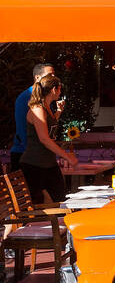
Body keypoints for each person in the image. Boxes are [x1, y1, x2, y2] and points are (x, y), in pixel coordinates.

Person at [20, 74, 77, 203]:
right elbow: (44, 139)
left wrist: (58, 112)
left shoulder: (47, 108)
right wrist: (67, 156)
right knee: (41, 203)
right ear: (53, 90)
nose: (60, 92)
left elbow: (49, 127)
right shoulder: (38, 108)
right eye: (59, 89)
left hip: (48, 163)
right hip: (34, 164)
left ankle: (60, 222)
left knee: (60, 200)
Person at [10, 62, 54, 170]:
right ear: (37, 77)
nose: (53, 78)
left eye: (54, 75)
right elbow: (22, 128)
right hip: (26, 155)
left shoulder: (46, 98)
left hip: (39, 155)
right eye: (50, 75)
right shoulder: (24, 98)